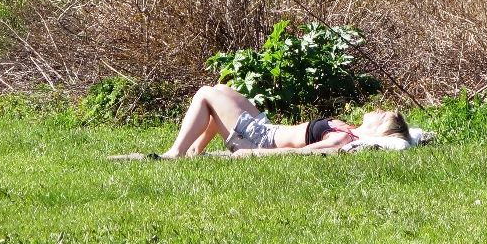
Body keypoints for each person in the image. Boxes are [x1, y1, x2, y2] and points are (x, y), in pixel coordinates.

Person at [159, 83, 409, 158]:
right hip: (266, 128)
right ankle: (195, 150)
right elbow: (412, 134)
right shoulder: (350, 130)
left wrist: (253, 154)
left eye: (382, 115)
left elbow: (302, 153)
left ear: (379, 129)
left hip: (261, 139)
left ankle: (175, 153)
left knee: (205, 93)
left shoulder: (344, 138)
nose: (378, 110)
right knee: (222, 88)